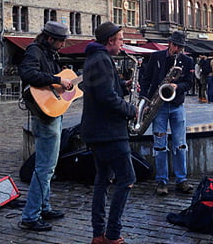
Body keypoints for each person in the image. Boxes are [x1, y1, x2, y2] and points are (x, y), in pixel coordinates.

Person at [81, 22, 137, 244]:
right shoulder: (102, 60)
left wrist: (123, 85)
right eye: (121, 39)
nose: (123, 43)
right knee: (127, 179)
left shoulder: (94, 58)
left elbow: (101, 89)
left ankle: (98, 235)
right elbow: (106, 97)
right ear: (111, 41)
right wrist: (130, 110)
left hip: (97, 131)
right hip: (109, 132)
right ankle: (113, 234)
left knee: (102, 180)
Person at [18, 21, 72, 231]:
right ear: (50, 38)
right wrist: (57, 79)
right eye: (61, 41)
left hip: (51, 111)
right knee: (45, 167)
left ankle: (44, 206)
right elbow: (29, 74)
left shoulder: (50, 54)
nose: (63, 45)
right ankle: (30, 216)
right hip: (44, 115)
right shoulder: (35, 51)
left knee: (48, 165)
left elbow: (58, 84)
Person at [139, 31, 194, 196]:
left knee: (180, 144)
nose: (177, 49)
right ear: (169, 43)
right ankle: (161, 181)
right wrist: (147, 101)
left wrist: (178, 87)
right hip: (159, 106)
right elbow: (146, 79)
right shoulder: (156, 57)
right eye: (175, 45)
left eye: (180, 46)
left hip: (177, 105)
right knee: (160, 145)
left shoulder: (187, 60)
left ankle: (181, 180)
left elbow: (189, 83)